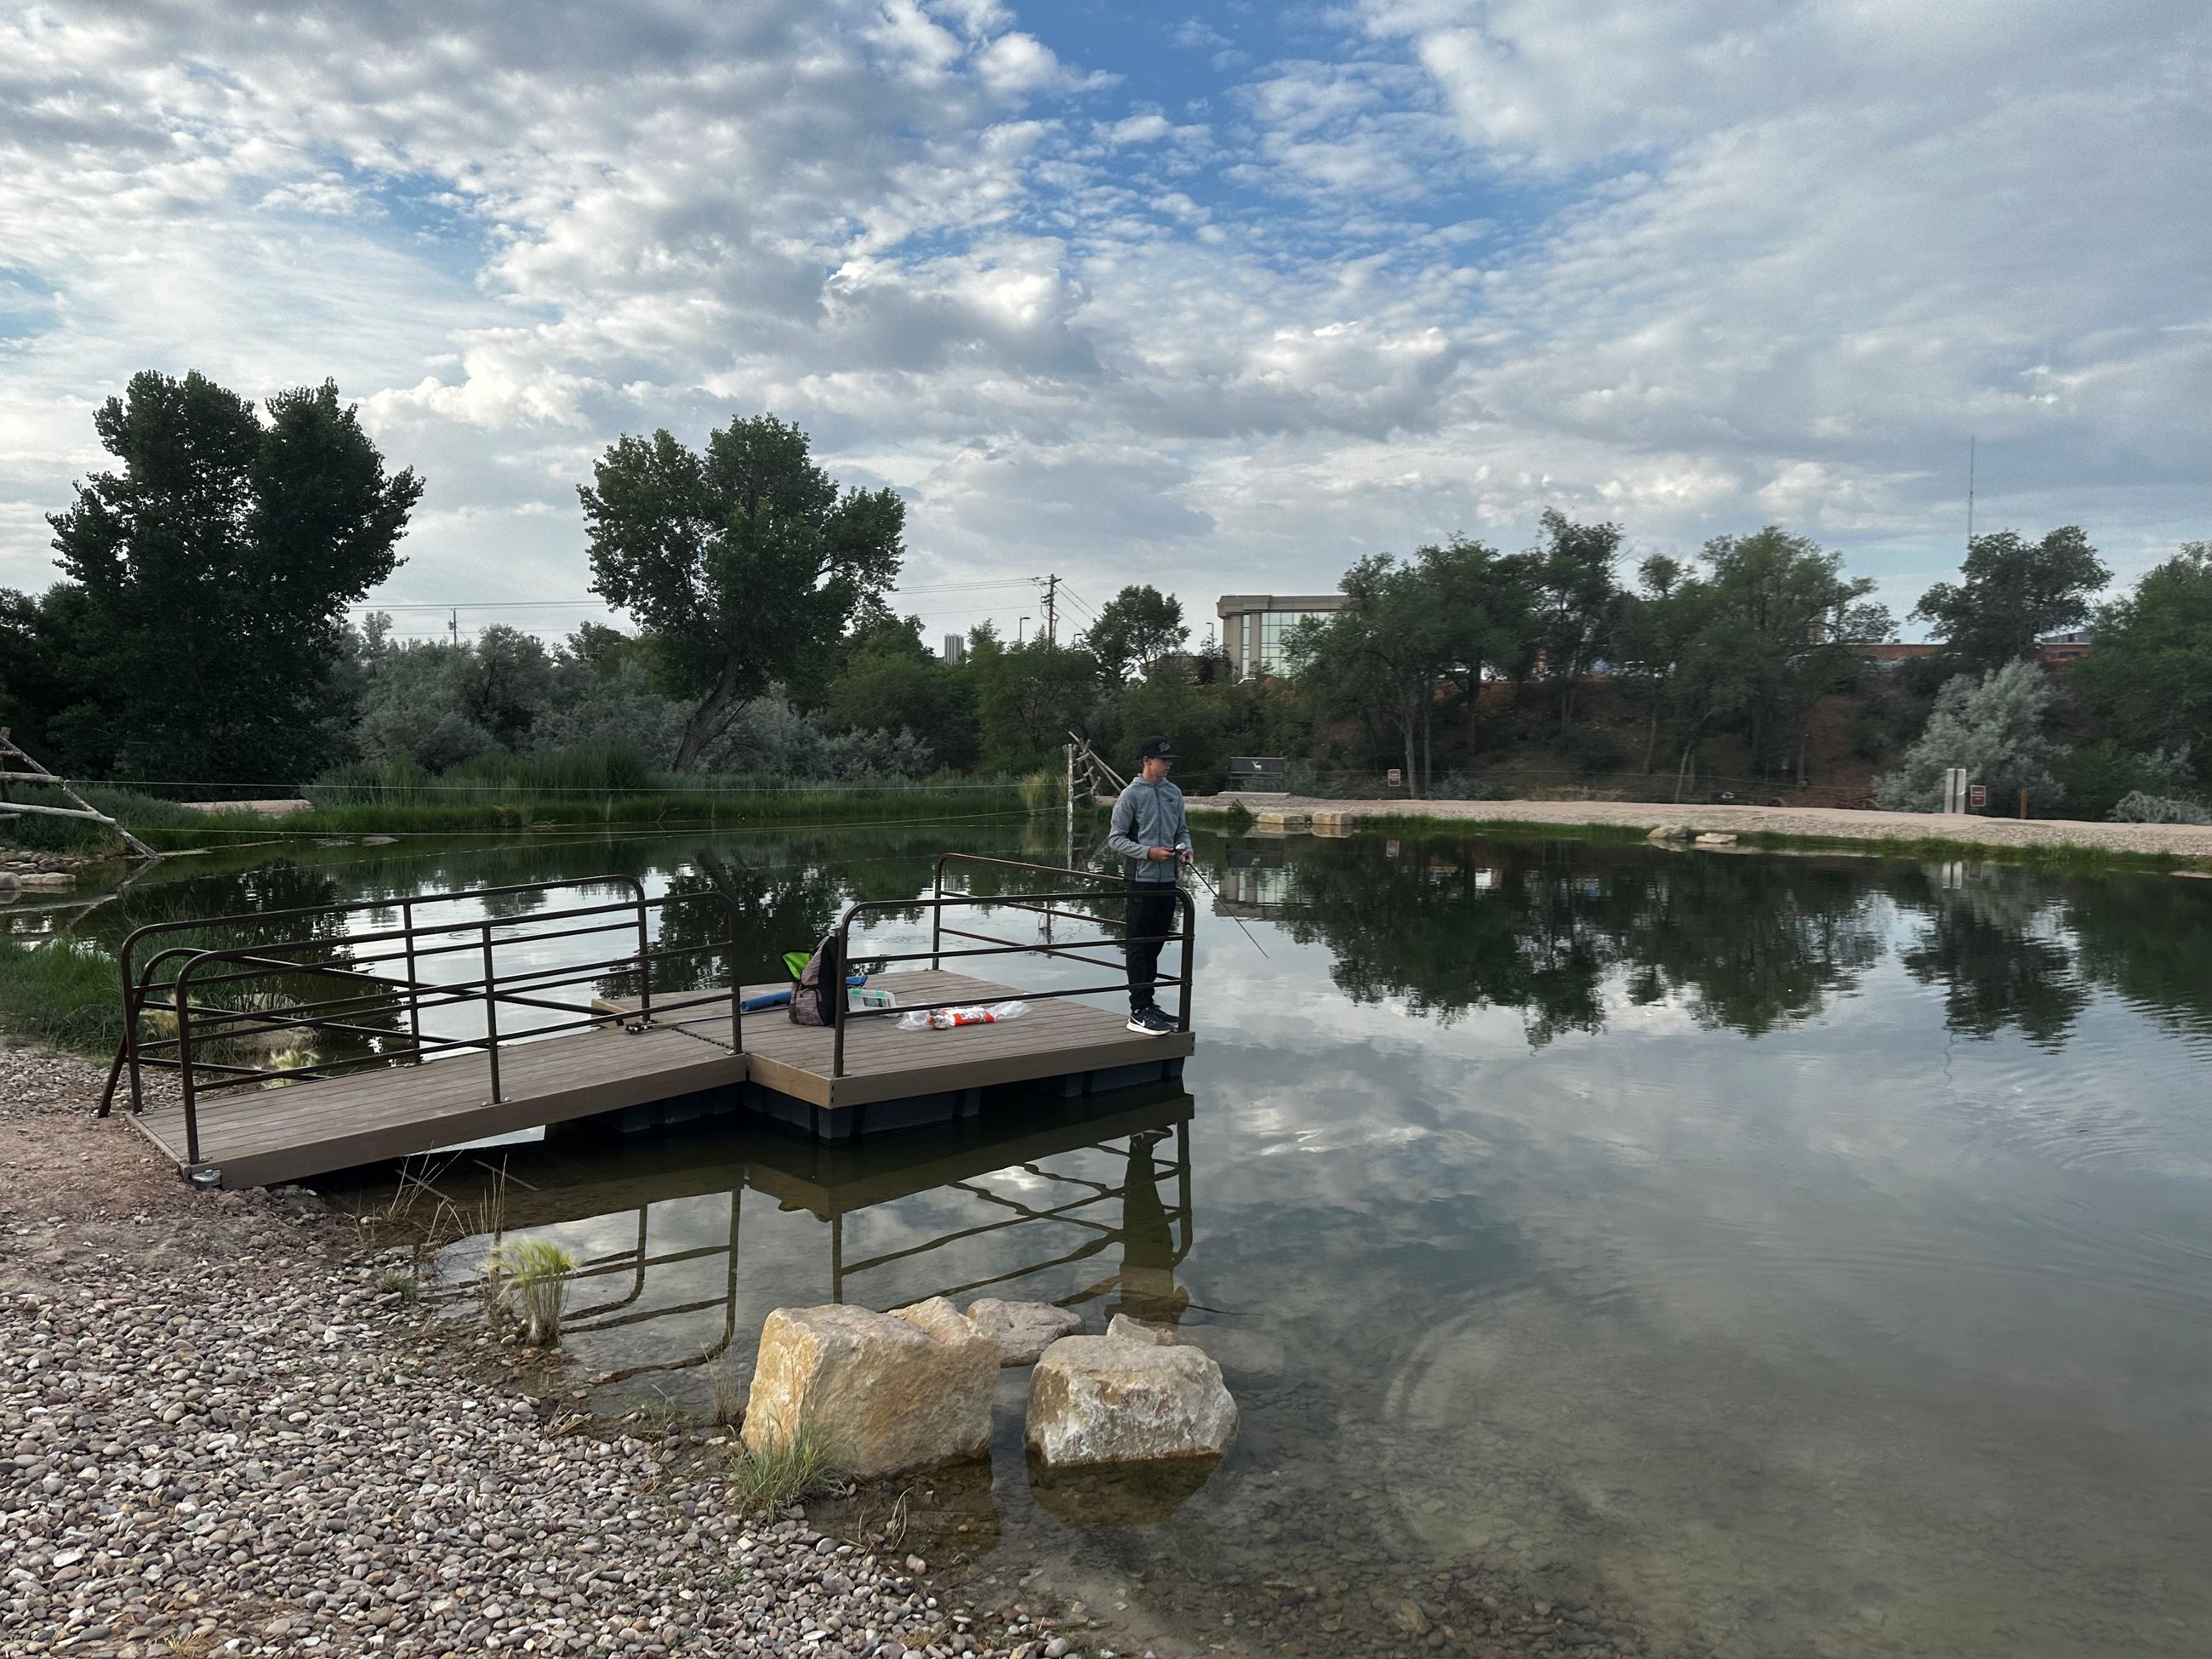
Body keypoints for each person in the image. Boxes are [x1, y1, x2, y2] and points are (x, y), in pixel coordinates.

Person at [1107, 734, 1191, 1035]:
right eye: (1163, 759)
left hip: (1168, 881)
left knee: (1155, 944)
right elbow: (1115, 839)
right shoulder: (1131, 795)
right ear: (1147, 761)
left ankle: (1149, 1004)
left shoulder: (1174, 793)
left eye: (1170, 760)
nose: (1168, 764)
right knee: (1139, 946)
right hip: (1140, 882)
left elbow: (1182, 830)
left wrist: (1184, 848)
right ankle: (1138, 1010)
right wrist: (1148, 853)